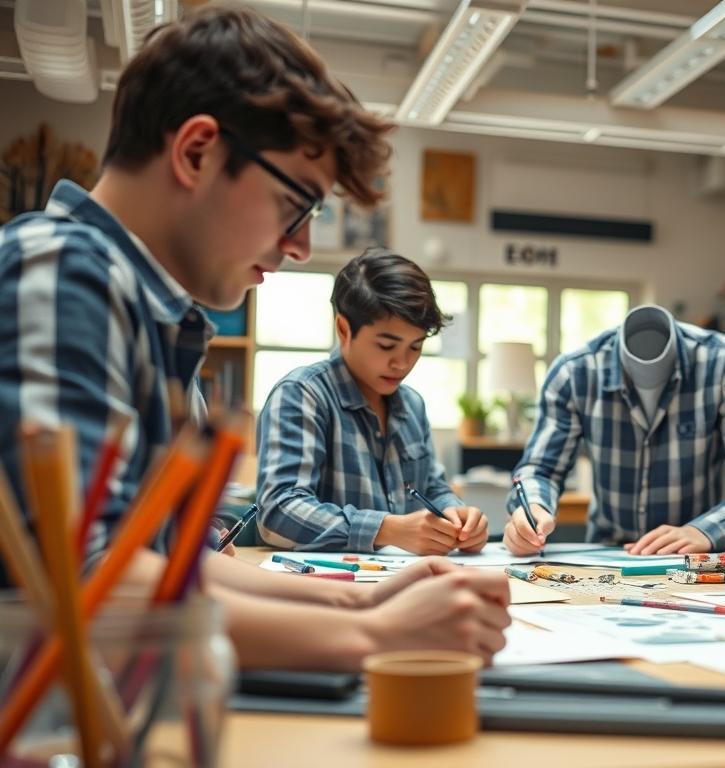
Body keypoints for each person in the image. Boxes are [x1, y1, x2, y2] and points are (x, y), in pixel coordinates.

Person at [0, 6, 508, 668]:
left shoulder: (151, 317)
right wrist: (375, 638)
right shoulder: (59, 270)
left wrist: (361, 604)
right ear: (197, 152)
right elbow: (80, 578)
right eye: (295, 205)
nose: (299, 246)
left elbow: (173, 565)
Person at [255, 248, 488, 555]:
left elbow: (432, 489)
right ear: (343, 329)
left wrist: (457, 517)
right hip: (328, 590)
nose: (402, 363)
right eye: (386, 345)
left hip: (407, 583)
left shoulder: (412, 405)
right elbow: (278, 512)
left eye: (415, 347)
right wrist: (386, 529)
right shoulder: (302, 394)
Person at [503, 304, 725, 555]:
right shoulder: (574, 372)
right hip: (606, 558)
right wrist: (531, 510)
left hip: (692, 561)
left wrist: (705, 530)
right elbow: (540, 470)